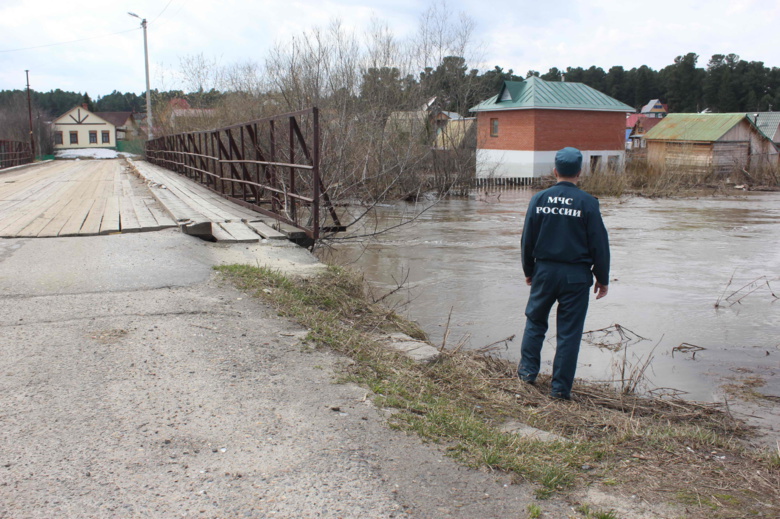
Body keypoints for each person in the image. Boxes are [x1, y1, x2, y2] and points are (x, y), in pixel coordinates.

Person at [517, 147, 610, 400]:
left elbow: (527, 239)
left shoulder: (539, 199)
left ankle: (526, 375)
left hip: (544, 272)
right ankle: (559, 389)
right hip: (576, 277)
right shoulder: (588, 203)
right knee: (569, 333)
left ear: (555, 170)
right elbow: (599, 244)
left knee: (535, 323)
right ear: (580, 172)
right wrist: (602, 278)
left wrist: (529, 269)